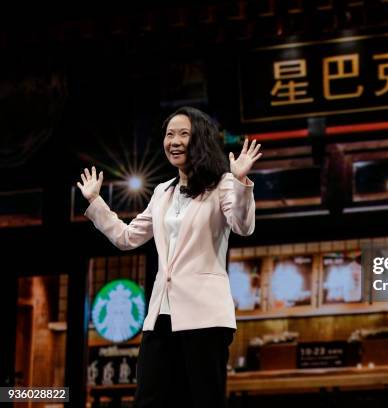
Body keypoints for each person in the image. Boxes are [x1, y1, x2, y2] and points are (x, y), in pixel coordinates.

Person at [77, 106, 262, 407]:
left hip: (205, 317)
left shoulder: (222, 185)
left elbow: (243, 226)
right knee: (149, 399)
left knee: (202, 400)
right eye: (169, 134)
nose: (174, 141)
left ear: (199, 139)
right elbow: (127, 238)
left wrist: (240, 182)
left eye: (183, 134)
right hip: (161, 315)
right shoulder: (162, 192)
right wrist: (96, 203)